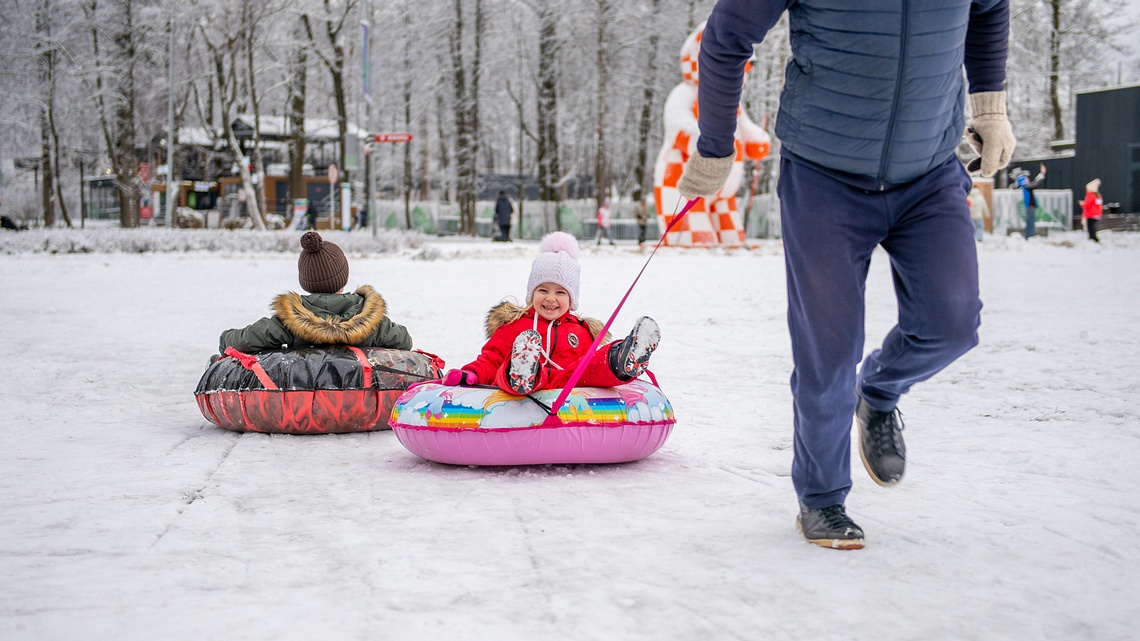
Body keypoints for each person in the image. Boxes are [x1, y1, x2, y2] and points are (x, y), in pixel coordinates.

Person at [678, 0, 1015, 549]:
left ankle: (879, 393)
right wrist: (716, 144)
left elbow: (990, 9)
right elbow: (725, 37)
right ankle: (822, 499)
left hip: (928, 172)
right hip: (823, 176)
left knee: (951, 323)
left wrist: (991, 107)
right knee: (829, 353)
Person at [441, 231, 660, 396]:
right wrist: (471, 374)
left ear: (572, 299)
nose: (550, 298)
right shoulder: (516, 325)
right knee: (508, 367)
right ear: (531, 293)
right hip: (530, 384)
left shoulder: (581, 331)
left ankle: (622, 358)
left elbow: (590, 365)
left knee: (591, 364)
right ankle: (523, 368)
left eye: (560, 292)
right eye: (543, 290)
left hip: (569, 383)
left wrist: (603, 362)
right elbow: (492, 358)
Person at [218, 231, 412, 354]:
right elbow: (404, 340)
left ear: (305, 282)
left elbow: (246, 339)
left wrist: (226, 337)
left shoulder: (290, 320)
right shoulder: (371, 319)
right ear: (344, 277)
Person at [1016, 164, 1046, 239]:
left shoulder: (1027, 187)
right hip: (1029, 205)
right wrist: (1042, 175)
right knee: (1030, 221)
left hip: (1031, 205)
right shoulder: (1026, 187)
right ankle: (1029, 236)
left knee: (1031, 221)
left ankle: (1029, 235)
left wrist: (1040, 175)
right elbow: (1033, 184)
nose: (1028, 179)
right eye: (1026, 178)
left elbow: (1033, 183)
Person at [1081, 178, 1103, 243]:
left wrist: (1082, 204)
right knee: (1092, 226)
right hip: (1097, 213)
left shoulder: (1090, 195)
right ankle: (1094, 238)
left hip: (1091, 214)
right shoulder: (1098, 195)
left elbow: (1087, 204)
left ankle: (1093, 238)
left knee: (1090, 227)